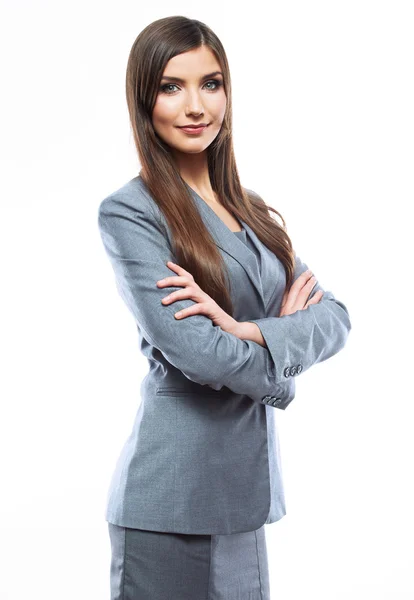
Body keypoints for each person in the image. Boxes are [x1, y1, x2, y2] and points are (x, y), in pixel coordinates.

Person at [97, 15, 352, 600]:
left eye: (210, 83)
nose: (195, 105)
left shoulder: (252, 210)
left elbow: (336, 317)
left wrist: (247, 329)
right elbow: (200, 355)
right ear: (144, 100)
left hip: (245, 500)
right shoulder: (131, 212)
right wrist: (281, 365)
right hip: (170, 500)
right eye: (171, 86)